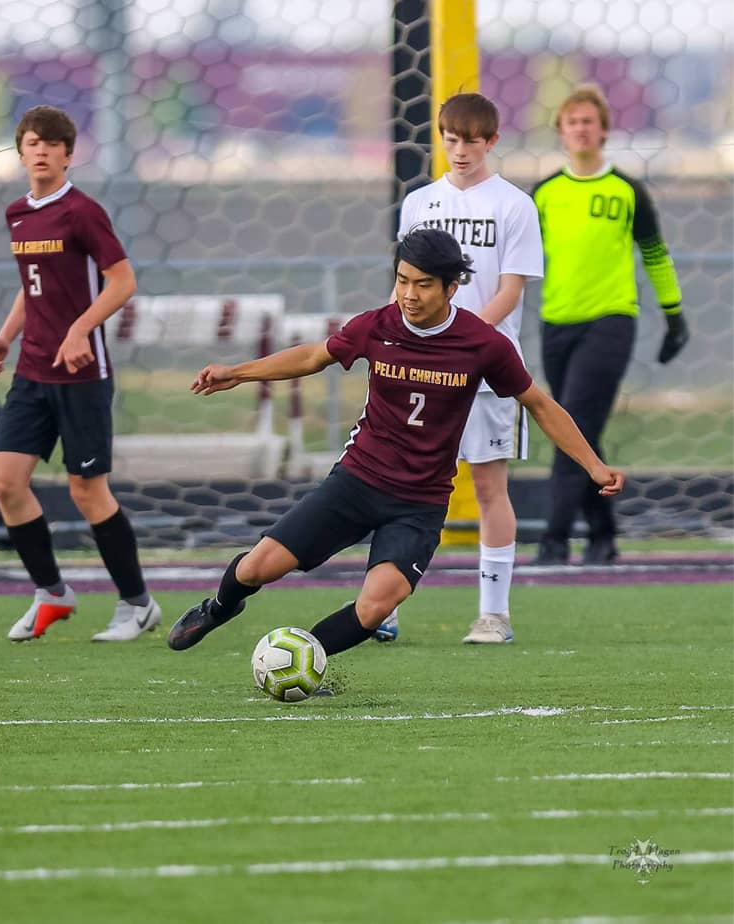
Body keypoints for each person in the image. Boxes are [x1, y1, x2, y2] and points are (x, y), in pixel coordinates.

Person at [166, 229, 623, 672]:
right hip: (357, 482)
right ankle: (218, 608)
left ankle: (305, 658)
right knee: (257, 567)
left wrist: (594, 466)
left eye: (423, 284)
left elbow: (540, 406)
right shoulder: (376, 326)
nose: (409, 293)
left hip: (419, 503)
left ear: (451, 286)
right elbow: (312, 357)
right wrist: (238, 373)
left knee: (376, 606)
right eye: (403, 280)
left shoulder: (483, 344)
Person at [0, 103, 160, 643]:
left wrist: (81, 329)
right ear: (20, 153)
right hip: (32, 372)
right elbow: (33, 287)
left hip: (81, 374)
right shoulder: (18, 213)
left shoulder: (83, 212)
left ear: (67, 153)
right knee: (6, 482)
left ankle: (137, 604)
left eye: (50, 144)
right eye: (30, 143)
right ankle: (51, 592)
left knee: (87, 491)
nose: (39, 151)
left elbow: (122, 282)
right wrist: (5, 337)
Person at [386, 92, 544, 645]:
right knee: (399, 484)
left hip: (486, 371)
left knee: (488, 486)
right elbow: (403, 285)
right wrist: (397, 344)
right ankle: (381, 606)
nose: (459, 150)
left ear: (491, 142)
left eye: (470, 141)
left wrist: (463, 339)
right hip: (421, 371)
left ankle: (493, 614)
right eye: (450, 139)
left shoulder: (515, 206)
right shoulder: (418, 203)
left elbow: (510, 289)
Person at [532, 84, 687, 565]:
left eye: (588, 121)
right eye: (572, 121)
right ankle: (604, 535)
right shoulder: (543, 194)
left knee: (569, 424)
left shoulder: (626, 190)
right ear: (561, 131)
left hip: (611, 321)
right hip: (556, 323)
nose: (581, 128)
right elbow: (517, 263)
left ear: (603, 130)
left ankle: (554, 541)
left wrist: (674, 316)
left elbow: (656, 255)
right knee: (582, 433)